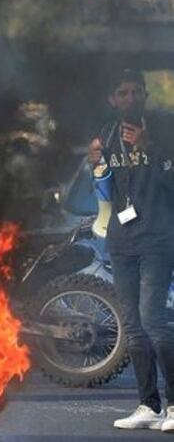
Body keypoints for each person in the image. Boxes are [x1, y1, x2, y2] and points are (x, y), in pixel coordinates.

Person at [88, 70, 174, 431]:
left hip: (158, 238)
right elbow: (105, 189)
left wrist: (150, 149)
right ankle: (148, 405)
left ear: (145, 96)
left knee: (153, 320)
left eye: (135, 92)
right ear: (112, 100)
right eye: (122, 93)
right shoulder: (107, 134)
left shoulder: (165, 130)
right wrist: (95, 165)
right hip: (122, 241)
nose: (130, 98)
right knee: (133, 327)